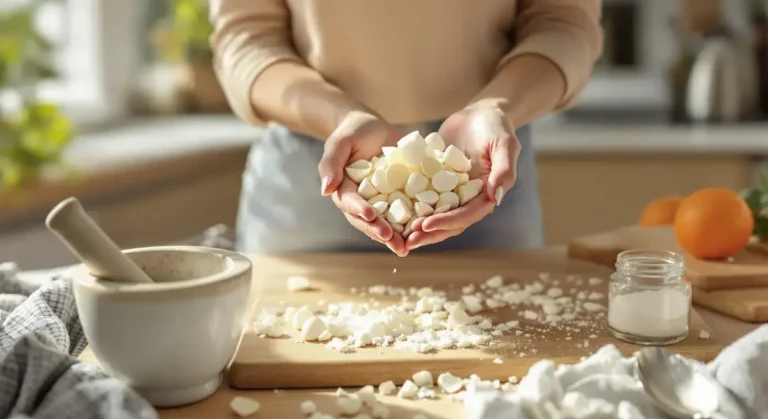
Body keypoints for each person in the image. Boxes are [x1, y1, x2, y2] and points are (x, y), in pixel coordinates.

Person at [209, 0, 602, 257]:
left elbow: (563, 22)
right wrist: (338, 117)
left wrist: (495, 107)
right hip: (310, 179)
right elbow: (246, 40)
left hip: (481, 170)